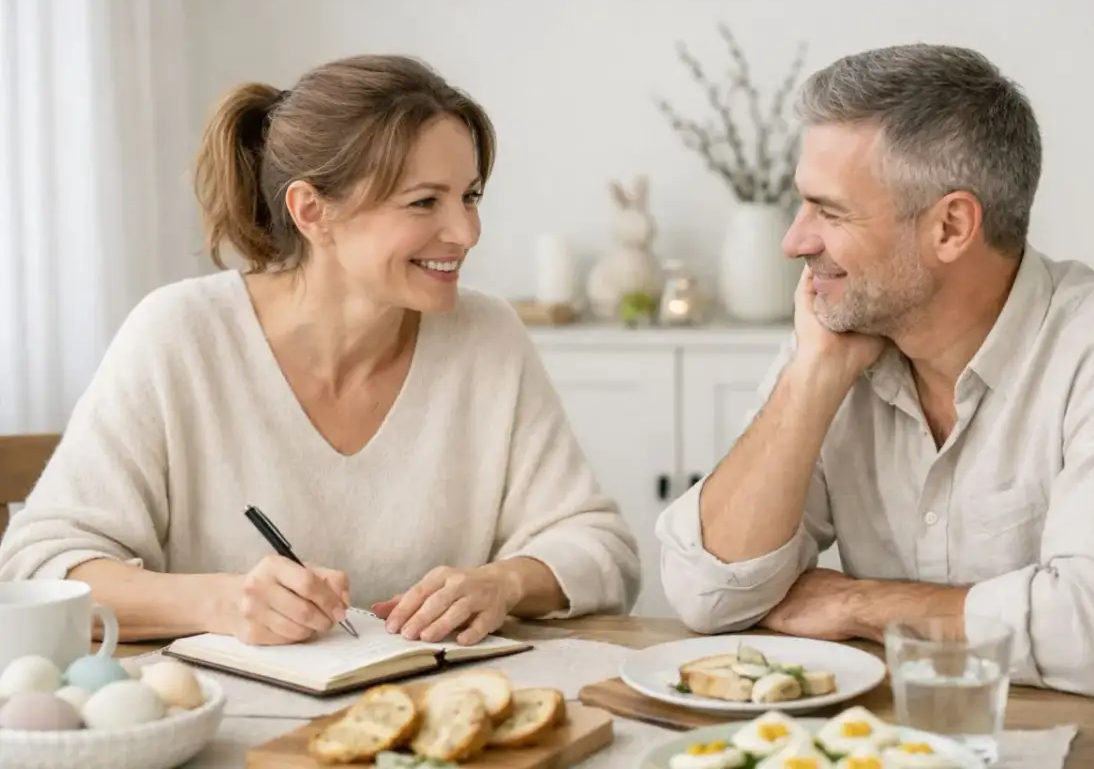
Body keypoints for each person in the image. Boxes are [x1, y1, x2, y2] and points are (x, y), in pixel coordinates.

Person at [0, 54, 640, 648]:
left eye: (469, 195)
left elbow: (601, 549)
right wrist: (218, 603)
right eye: (425, 202)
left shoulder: (487, 336)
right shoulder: (181, 335)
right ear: (311, 211)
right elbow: (39, 567)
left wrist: (505, 582)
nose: (467, 232)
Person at [656, 43, 1094, 716]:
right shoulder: (839, 337)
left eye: (829, 212)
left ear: (951, 226)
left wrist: (857, 603)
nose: (794, 242)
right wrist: (811, 377)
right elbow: (704, 590)